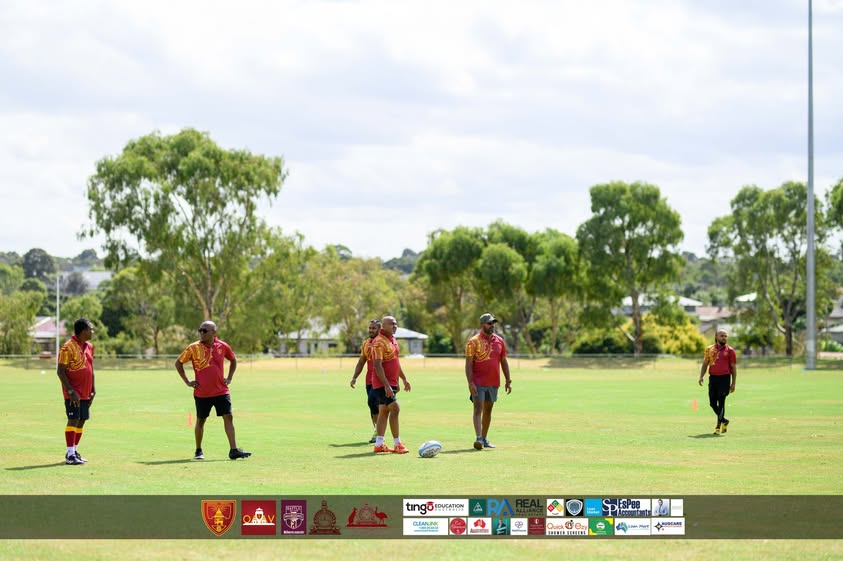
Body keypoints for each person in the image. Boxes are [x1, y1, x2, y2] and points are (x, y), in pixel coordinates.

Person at [175, 320, 252, 460]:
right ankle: (198, 450)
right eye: (200, 330)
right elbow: (178, 363)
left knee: (228, 417)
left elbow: (233, 360)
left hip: (221, 391)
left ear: (214, 332)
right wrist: (187, 382)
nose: (201, 333)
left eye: (205, 331)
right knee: (201, 421)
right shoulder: (193, 348)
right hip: (202, 393)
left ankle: (233, 450)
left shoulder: (222, 346)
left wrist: (229, 377)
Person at [465, 312, 511, 450]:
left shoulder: (500, 341)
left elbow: (503, 361)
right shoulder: (473, 341)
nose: (492, 325)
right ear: (482, 325)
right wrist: (470, 382)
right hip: (478, 381)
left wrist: (508, 379)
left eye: (493, 323)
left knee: (488, 411)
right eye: (489, 323)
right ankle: (478, 438)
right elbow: (468, 364)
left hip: (493, 382)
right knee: (478, 409)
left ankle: (484, 439)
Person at [56, 318, 96, 465]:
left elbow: (91, 369)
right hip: (73, 393)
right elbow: (60, 371)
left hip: (86, 392)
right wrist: (71, 391)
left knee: (82, 420)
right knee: (73, 419)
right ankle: (70, 455)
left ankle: (74, 451)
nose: (92, 332)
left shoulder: (90, 346)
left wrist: (93, 389)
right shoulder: (67, 347)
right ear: (83, 331)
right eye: (91, 329)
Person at [369, 315, 411, 453]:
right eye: (392, 324)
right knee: (395, 408)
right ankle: (397, 443)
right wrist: (387, 385)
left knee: (384, 411)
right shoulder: (378, 342)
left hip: (391, 382)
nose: (395, 326)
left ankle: (379, 444)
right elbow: (377, 365)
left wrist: (403, 379)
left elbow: (395, 362)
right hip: (382, 383)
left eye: (396, 323)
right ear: (383, 326)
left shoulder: (392, 339)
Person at [699, 327, 737, 435]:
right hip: (713, 378)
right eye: (722, 336)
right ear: (716, 337)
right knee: (712, 403)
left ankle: (718, 426)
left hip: (725, 379)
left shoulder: (730, 351)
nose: (724, 338)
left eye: (725, 336)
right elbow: (705, 364)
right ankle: (724, 420)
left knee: (721, 402)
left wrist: (733, 383)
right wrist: (701, 376)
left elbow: (733, 368)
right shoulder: (709, 349)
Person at [350, 319, 382, 443]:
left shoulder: (383, 343)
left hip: (381, 380)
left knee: (375, 403)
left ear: (379, 329)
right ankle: (377, 431)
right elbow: (361, 361)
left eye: (373, 328)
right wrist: (354, 377)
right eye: (370, 328)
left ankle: (379, 433)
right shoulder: (366, 344)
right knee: (372, 406)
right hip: (369, 380)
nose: (371, 330)